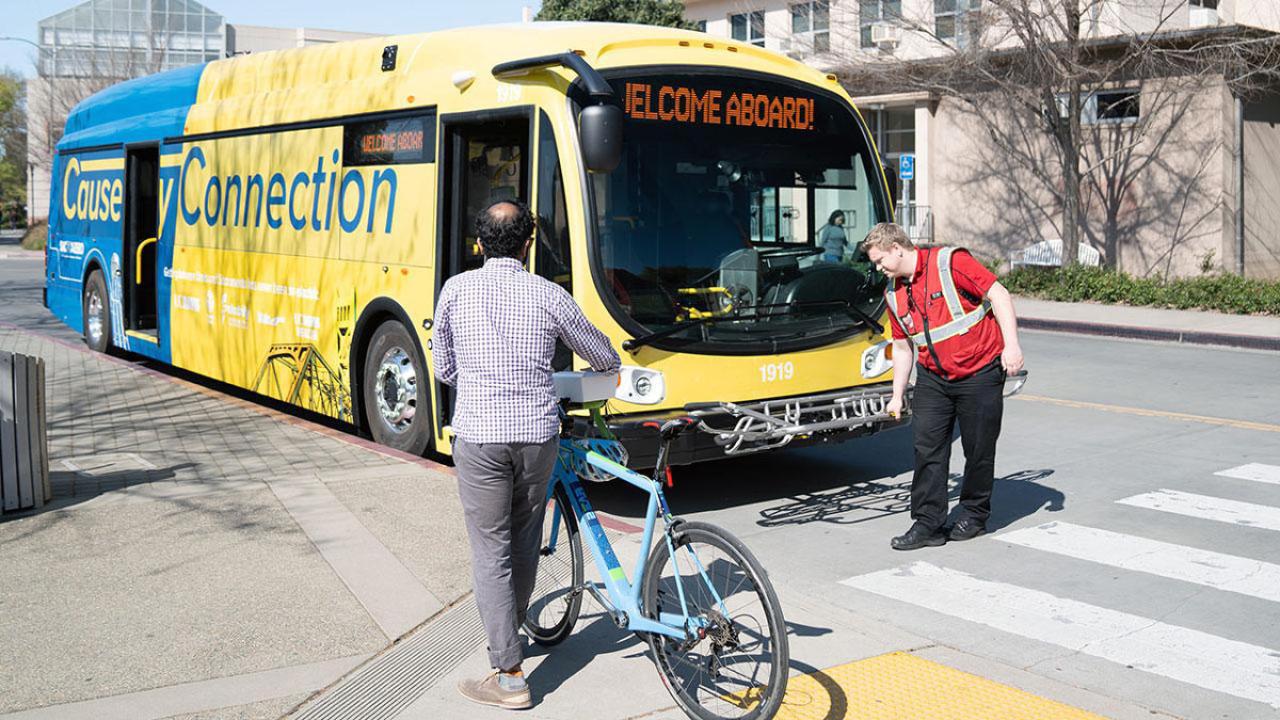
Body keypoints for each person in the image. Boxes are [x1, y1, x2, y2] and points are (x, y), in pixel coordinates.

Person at [433, 200, 621, 709]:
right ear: (528, 244)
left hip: (480, 436)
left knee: (490, 549)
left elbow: (444, 369)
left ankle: (510, 673)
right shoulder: (548, 294)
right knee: (523, 537)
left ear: (478, 244)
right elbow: (604, 356)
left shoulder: (455, 290)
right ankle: (509, 637)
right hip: (538, 435)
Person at [860, 223, 1025, 551]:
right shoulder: (893, 293)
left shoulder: (950, 263)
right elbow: (904, 346)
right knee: (927, 449)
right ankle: (928, 524)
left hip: (979, 371)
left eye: (881, 261)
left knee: (978, 449)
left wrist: (1012, 346)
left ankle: (974, 514)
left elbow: (999, 294)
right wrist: (896, 394)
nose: (879, 269)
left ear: (897, 248)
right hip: (934, 378)